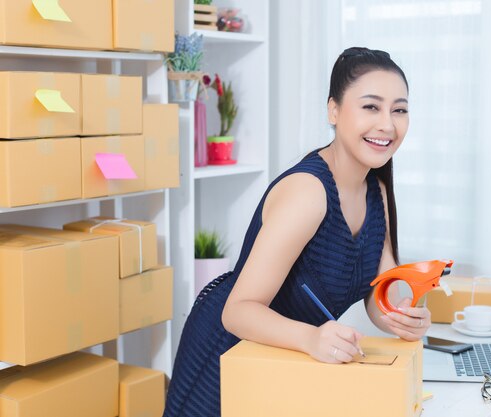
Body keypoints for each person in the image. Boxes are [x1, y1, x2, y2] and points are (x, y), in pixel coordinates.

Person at [162, 46, 432, 417]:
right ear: (333, 110)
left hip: (284, 364)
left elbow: (379, 292)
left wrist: (401, 318)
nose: (388, 123)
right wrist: (311, 337)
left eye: (399, 109)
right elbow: (237, 312)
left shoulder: (377, 191)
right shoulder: (309, 192)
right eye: (371, 106)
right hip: (228, 358)